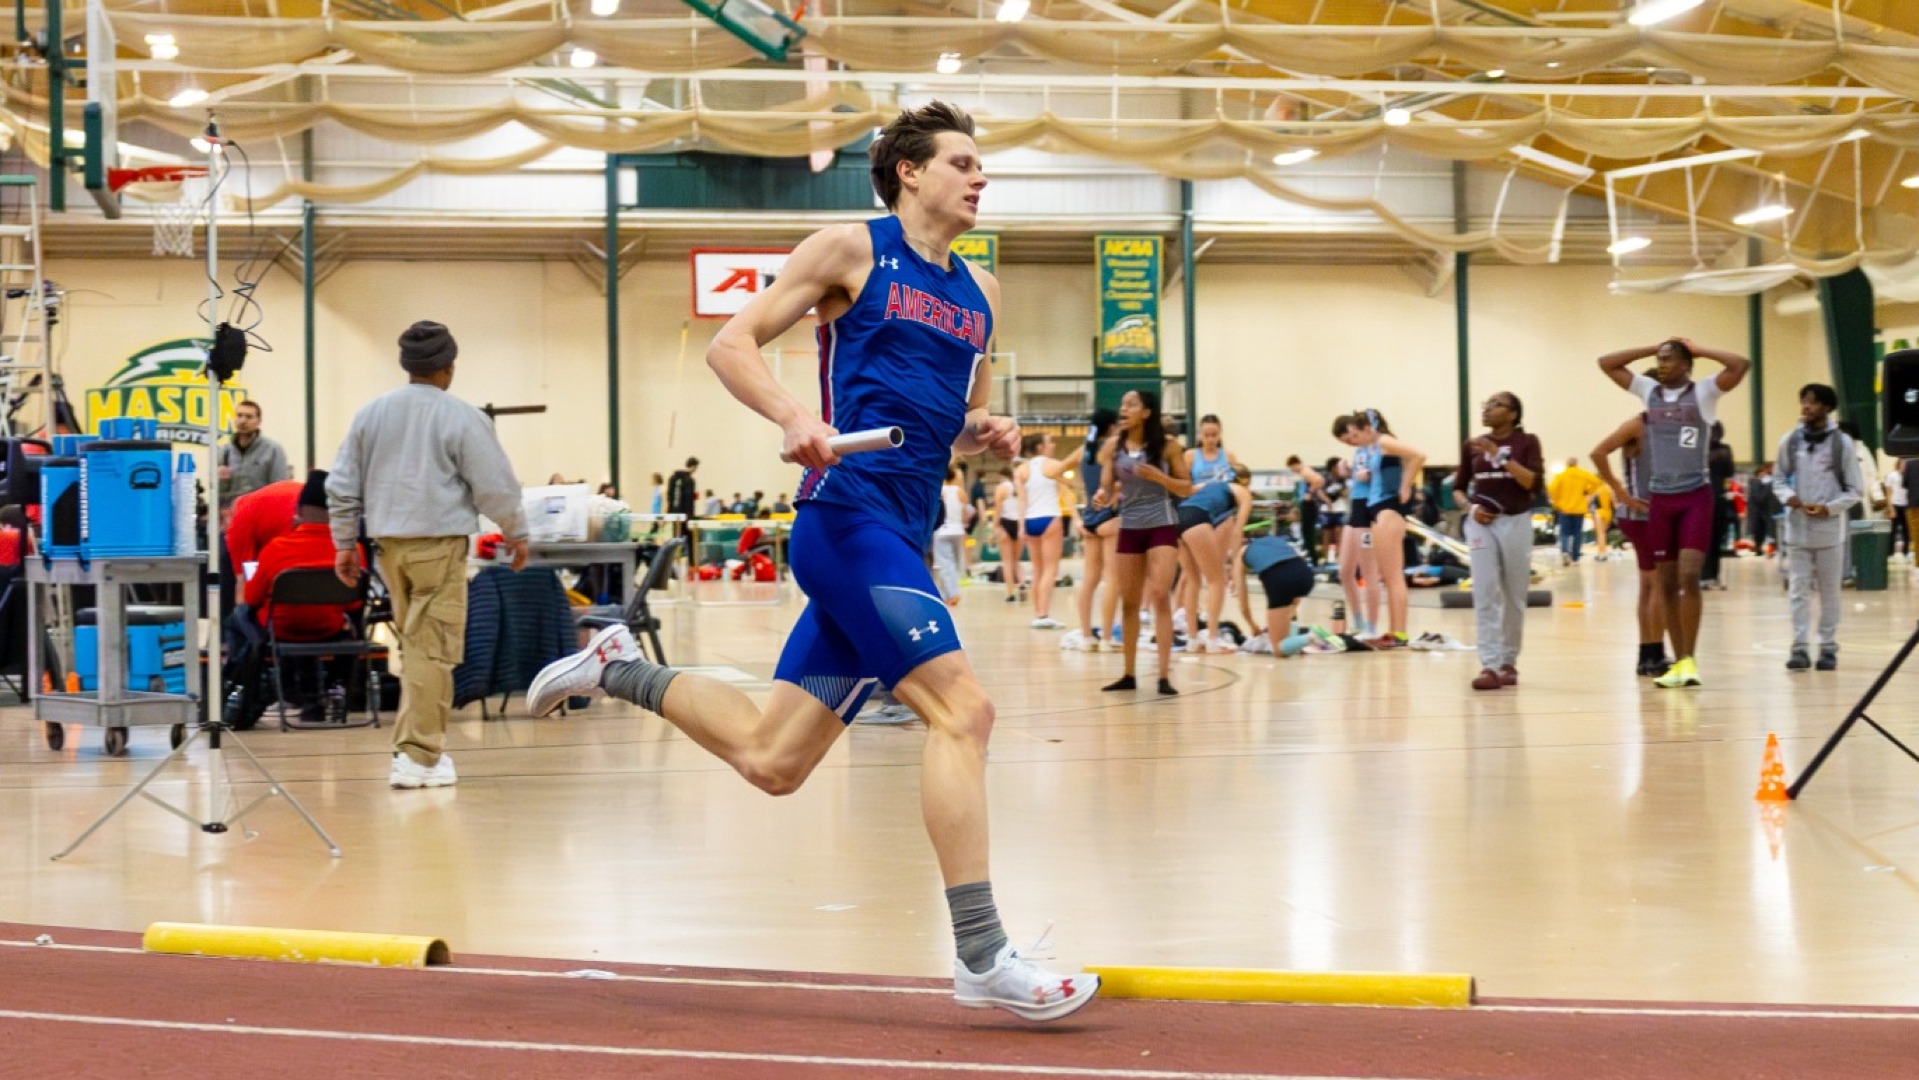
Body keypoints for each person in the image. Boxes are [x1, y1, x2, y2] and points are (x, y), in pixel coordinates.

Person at [522, 102, 1097, 1022]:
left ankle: (614, 666)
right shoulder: (849, 249)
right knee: (964, 711)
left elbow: (948, 422)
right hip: (846, 521)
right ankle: (983, 954)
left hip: (902, 531)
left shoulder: (981, 292)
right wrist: (795, 417)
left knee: (772, 759)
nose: (980, 178)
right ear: (909, 172)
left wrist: (982, 433)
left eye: (982, 166)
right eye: (963, 162)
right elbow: (729, 342)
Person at [328, 320, 531, 789]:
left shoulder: (370, 414)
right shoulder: (461, 416)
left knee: (415, 644)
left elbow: (341, 486)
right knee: (432, 651)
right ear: (448, 367)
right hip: (437, 546)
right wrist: (516, 532)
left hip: (388, 549)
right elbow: (495, 486)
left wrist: (343, 542)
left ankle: (415, 750)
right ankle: (418, 757)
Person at [1599, 336, 1751, 689]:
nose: (1662, 364)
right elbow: (1607, 362)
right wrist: (1651, 346)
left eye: (1670, 359)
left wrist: (1701, 349)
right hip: (1660, 501)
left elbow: (1740, 365)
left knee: (1688, 577)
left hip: (1695, 497)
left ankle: (1691, 659)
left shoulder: (1704, 393)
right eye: (1660, 359)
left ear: (1686, 364)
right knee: (1665, 583)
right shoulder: (1649, 391)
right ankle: (1679, 661)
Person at [229, 470, 357, 727]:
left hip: (283, 629)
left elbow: (250, 598)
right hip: (328, 629)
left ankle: (245, 689)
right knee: (345, 623)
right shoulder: (353, 553)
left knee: (238, 617)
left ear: (297, 512)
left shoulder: (275, 550)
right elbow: (354, 603)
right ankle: (330, 692)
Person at [1097, 388, 1190, 694]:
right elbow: (1107, 489)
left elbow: (1186, 489)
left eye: (1131, 404)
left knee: (1161, 594)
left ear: (1146, 412)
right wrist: (1102, 497)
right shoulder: (1114, 446)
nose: (1124, 409)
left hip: (1161, 523)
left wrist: (1160, 478)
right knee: (1130, 603)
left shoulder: (1168, 447)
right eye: (1122, 404)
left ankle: (1164, 676)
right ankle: (1128, 674)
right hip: (1130, 525)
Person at [1453, 392, 1541, 691]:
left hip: (1516, 520)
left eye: (1496, 405)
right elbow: (1458, 489)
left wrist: (1500, 454)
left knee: (1514, 595)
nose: (1488, 409)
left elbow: (1531, 482)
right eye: (1486, 404)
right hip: (1480, 524)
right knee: (1485, 589)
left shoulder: (1527, 442)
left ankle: (1508, 661)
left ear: (1514, 414)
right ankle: (1489, 665)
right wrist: (1471, 508)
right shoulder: (1472, 445)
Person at [1772, 384, 1864, 672]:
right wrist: (1792, 499)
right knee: (1798, 591)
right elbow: (1777, 480)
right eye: (1803, 402)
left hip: (1829, 531)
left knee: (1829, 591)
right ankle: (1799, 647)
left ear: (1827, 407)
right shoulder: (1790, 441)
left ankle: (1828, 647)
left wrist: (1829, 508)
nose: (1806, 407)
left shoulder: (1842, 444)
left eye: (1812, 402)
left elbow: (1855, 489)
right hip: (1797, 529)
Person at [1336, 409, 1425, 648]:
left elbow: (1418, 456)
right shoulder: (1373, 448)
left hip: (1389, 508)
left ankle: (1401, 633)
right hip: (1377, 508)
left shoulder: (1384, 441)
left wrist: (1406, 487)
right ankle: (1395, 631)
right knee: (1389, 575)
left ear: (1368, 429)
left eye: (1356, 434)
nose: (1355, 441)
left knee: (1394, 577)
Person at [1592, 414, 1672, 678]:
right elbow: (1598, 452)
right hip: (1644, 514)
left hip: (1645, 514)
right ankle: (1654, 652)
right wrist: (1620, 491)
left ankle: (1647, 654)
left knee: (1649, 583)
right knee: (1658, 583)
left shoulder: (1665, 425)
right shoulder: (1639, 424)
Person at [1175, 464, 1252, 654]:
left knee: (1192, 580)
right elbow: (1237, 530)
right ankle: (1212, 639)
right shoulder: (1242, 492)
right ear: (1245, 481)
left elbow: (1186, 493)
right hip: (1196, 519)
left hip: (1175, 518)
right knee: (1216, 580)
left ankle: (1192, 640)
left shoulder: (1207, 485)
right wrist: (1235, 562)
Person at [1063, 408, 1121, 653]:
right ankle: (1107, 638)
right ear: (1111, 427)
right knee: (1112, 579)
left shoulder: (1083, 450)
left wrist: (1081, 489)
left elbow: (1054, 472)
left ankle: (1086, 636)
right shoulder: (1113, 450)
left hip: (1089, 518)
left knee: (1089, 579)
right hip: (1110, 517)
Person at [1016, 432, 1069, 629]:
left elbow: (1022, 500)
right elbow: (1067, 491)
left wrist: (1021, 526)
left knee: (1037, 570)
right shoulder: (1054, 465)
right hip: (1050, 518)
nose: (1053, 444)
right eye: (1049, 441)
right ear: (1040, 446)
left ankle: (1037, 614)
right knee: (1050, 569)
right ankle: (1044, 614)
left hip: (1030, 520)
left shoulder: (1021, 469)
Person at [217, 399, 292, 512]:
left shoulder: (273, 450)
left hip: (260, 514)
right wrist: (221, 481)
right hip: (232, 517)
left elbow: (279, 489)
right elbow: (217, 492)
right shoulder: (224, 451)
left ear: (258, 421)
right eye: (239, 415)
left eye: (249, 417)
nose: (242, 421)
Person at [1546, 457, 1604, 564]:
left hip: (1564, 509)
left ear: (1567, 464)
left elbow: (1551, 489)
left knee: (1564, 533)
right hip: (1579, 509)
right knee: (1577, 533)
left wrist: (1556, 502)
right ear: (1576, 464)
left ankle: (1565, 552)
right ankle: (1575, 556)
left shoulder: (1561, 475)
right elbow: (1597, 482)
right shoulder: (1582, 473)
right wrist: (1587, 491)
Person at [932, 464, 968, 605]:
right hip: (958, 530)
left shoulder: (940, 491)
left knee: (945, 563)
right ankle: (952, 591)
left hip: (943, 530)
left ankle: (951, 594)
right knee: (955, 562)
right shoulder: (960, 492)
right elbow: (966, 513)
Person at [991, 468, 1024, 602]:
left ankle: (1010, 592)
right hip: (1018, 522)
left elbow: (998, 509)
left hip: (1005, 523)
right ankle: (1021, 584)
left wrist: (995, 527)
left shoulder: (1001, 488)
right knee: (1016, 560)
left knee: (1007, 562)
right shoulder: (1020, 487)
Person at [666, 458, 698, 530]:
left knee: (675, 534)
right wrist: (690, 515)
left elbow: (669, 495)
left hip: (673, 512)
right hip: (685, 513)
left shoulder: (672, 478)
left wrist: (669, 510)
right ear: (693, 467)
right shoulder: (690, 480)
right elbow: (689, 499)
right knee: (685, 536)